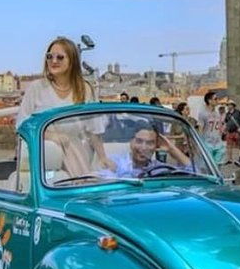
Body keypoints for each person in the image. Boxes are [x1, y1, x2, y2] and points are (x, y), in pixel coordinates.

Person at [17, 37, 112, 174]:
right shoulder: (36, 88)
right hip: (44, 155)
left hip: (76, 153)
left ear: (72, 61)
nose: (53, 61)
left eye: (60, 57)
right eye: (49, 56)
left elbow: (94, 129)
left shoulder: (85, 89)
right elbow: (22, 124)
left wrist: (103, 157)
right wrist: (50, 136)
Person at [99, 123, 191, 178]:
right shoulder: (116, 163)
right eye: (139, 141)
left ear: (156, 146)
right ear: (131, 142)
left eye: (150, 143)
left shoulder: (160, 168)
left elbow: (193, 173)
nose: (144, 148)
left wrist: (172, 149)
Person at [198, 91, 225, 166]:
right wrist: (200, 143)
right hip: (207, 143)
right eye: (215, 99)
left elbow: (219, 127)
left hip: (218, 143)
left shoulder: (217, 113)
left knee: (218, 165)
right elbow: (200, 129)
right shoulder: (202, 113)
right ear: (209, 101)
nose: (217, 101)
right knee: (209, 165)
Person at [224, 101, 240, 166]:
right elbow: (226, 122)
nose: (228, 106)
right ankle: (230, 159)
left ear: (233, 105)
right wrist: (225, 130)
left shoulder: (238, 112)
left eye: (229, 105)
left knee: (238, 146)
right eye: (228, 105)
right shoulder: (227, 114)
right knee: (229, 146)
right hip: (229, 131)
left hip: (236, 131)